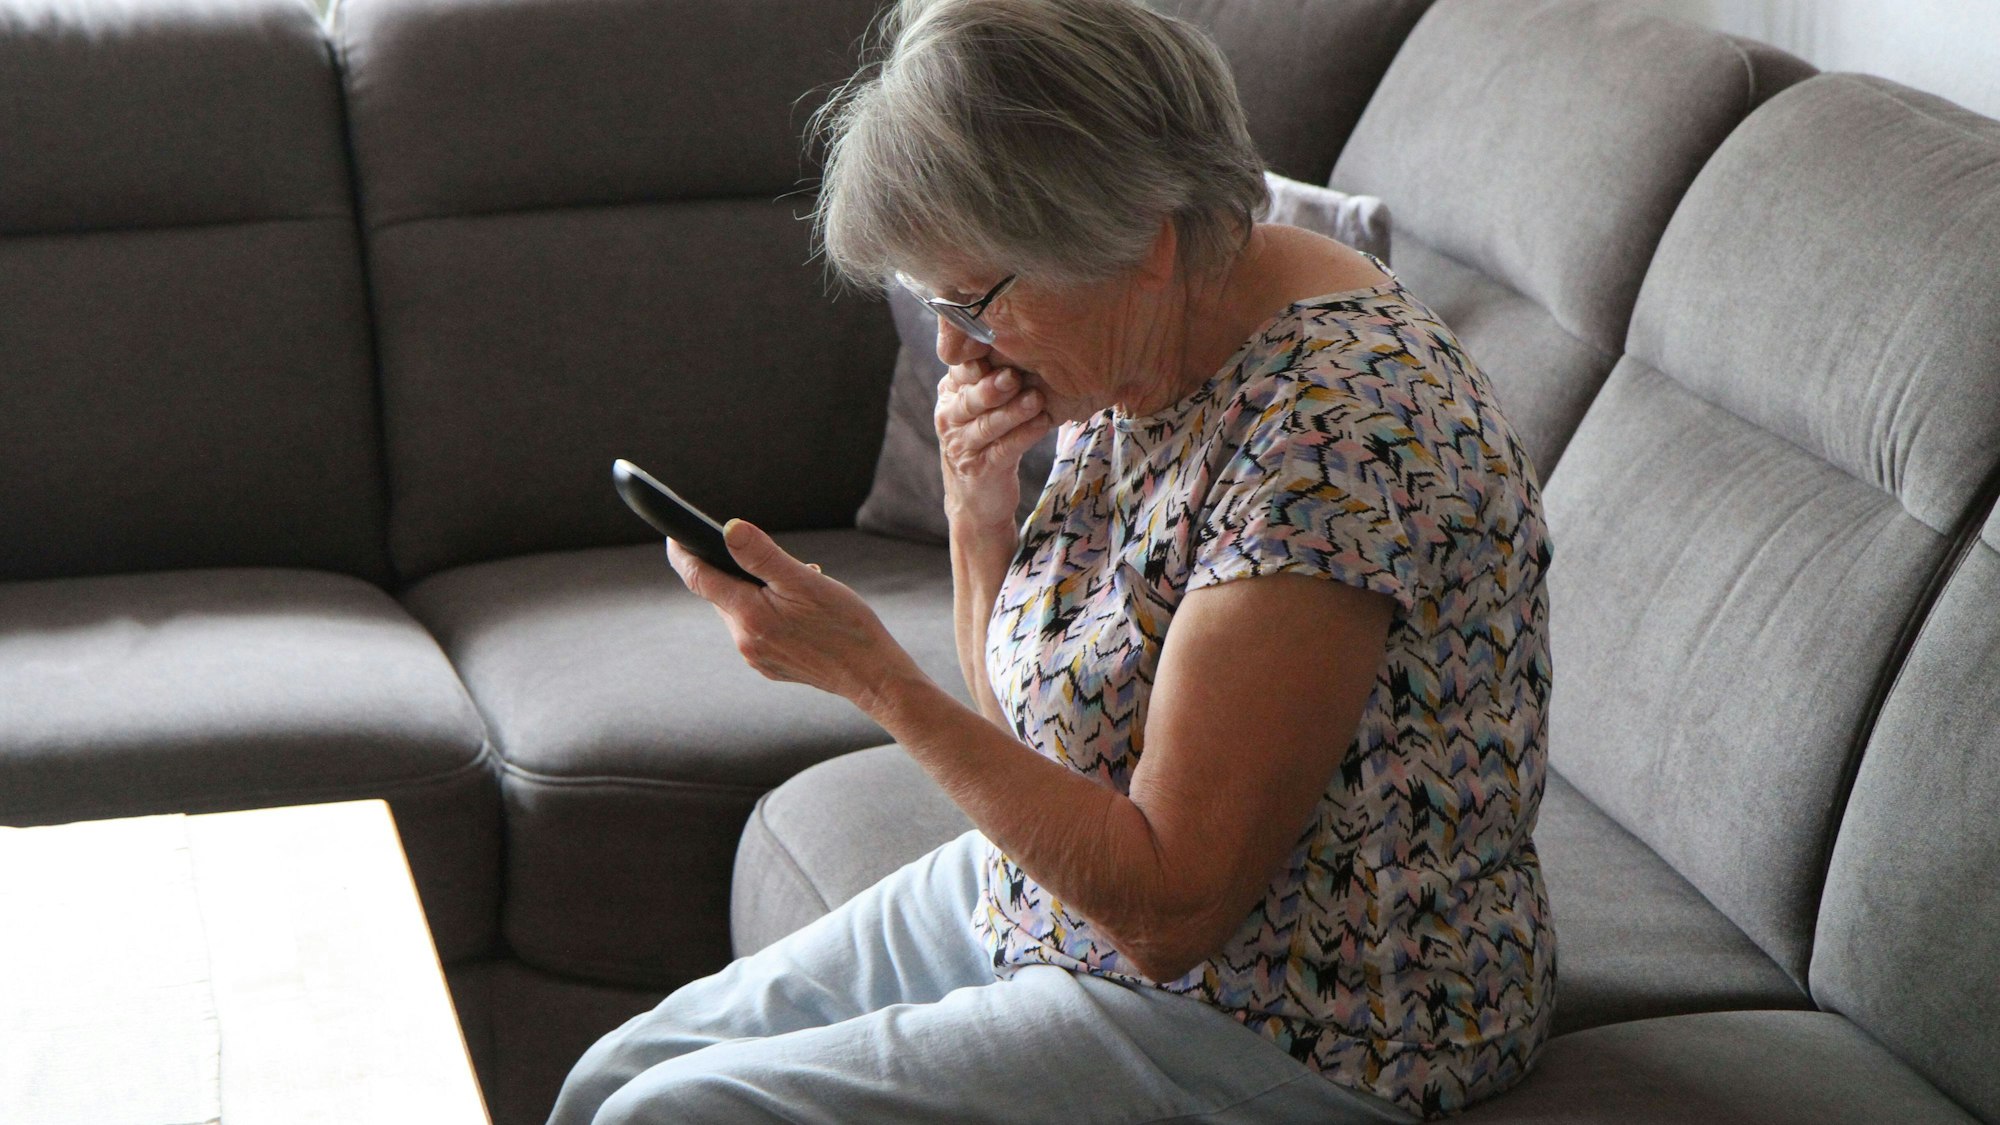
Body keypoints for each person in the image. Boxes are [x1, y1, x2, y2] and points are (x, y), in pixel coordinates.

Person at [548, 0, 1554, 1120]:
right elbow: (1040, 734)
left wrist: (874, 679)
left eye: (972, 300)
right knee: (616, 1074)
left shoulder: (1332, 440)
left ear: (1142, 237)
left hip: (1296, 1021)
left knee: (670, 1116)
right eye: (929, 302)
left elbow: (1170, 916)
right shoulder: (1148, 338)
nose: (951, 347)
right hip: (1063, 913)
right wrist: (976, 507)